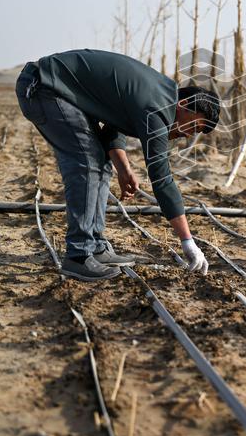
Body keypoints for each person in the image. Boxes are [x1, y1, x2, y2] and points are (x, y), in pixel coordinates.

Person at [15, 48, 218, 281]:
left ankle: (95, 247)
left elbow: (115, 122)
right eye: (192, 127)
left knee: (100, 160)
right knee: (87, 162)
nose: (186, 135)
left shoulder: (160, 93)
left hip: (60, 90)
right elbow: (161, 178)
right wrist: (187, 241)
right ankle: (78, 256)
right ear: (184, 105)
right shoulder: (159, 108)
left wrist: (123, 168)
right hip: (45, 88)